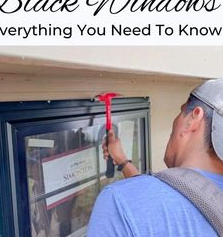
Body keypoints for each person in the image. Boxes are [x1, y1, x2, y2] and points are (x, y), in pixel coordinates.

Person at [87, 78, 223, 236]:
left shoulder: (119, 202)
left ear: (194, 118)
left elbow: (143, 206)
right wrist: (122, 161)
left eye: (181, 111)